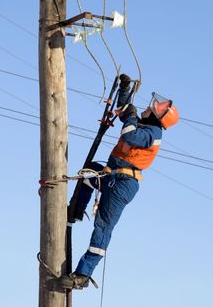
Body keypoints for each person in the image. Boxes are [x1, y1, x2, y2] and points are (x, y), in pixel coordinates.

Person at [60, 74, 179, 290]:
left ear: (156, 117)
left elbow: (131, 135)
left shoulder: (152, 133)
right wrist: (125, 89)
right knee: (89, 174)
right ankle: (76, 211)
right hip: (112, 175)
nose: (147, 107)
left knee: (103, 227)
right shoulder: (142, 123)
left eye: (151, 108)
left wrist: (131, 117)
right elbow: (125, 110)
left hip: (123, 184)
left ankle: (83, 275)